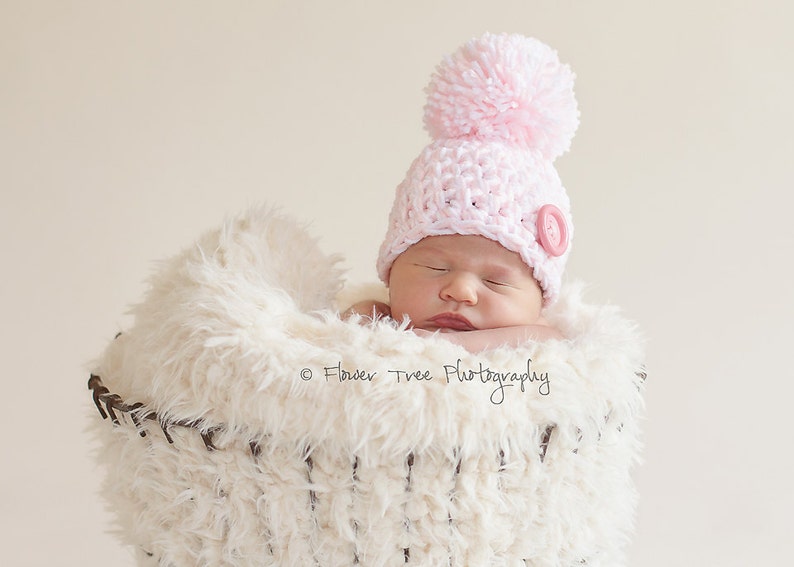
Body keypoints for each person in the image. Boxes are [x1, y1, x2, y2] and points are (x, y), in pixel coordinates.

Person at [345, 33, 580, 353]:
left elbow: (548, 340)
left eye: (495, 282)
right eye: (435, 269)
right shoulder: (376, 318)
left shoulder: (541, 342)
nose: (461, 291)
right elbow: (353, 327)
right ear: (390, 275)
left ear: (539, 304)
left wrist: (446, 344)